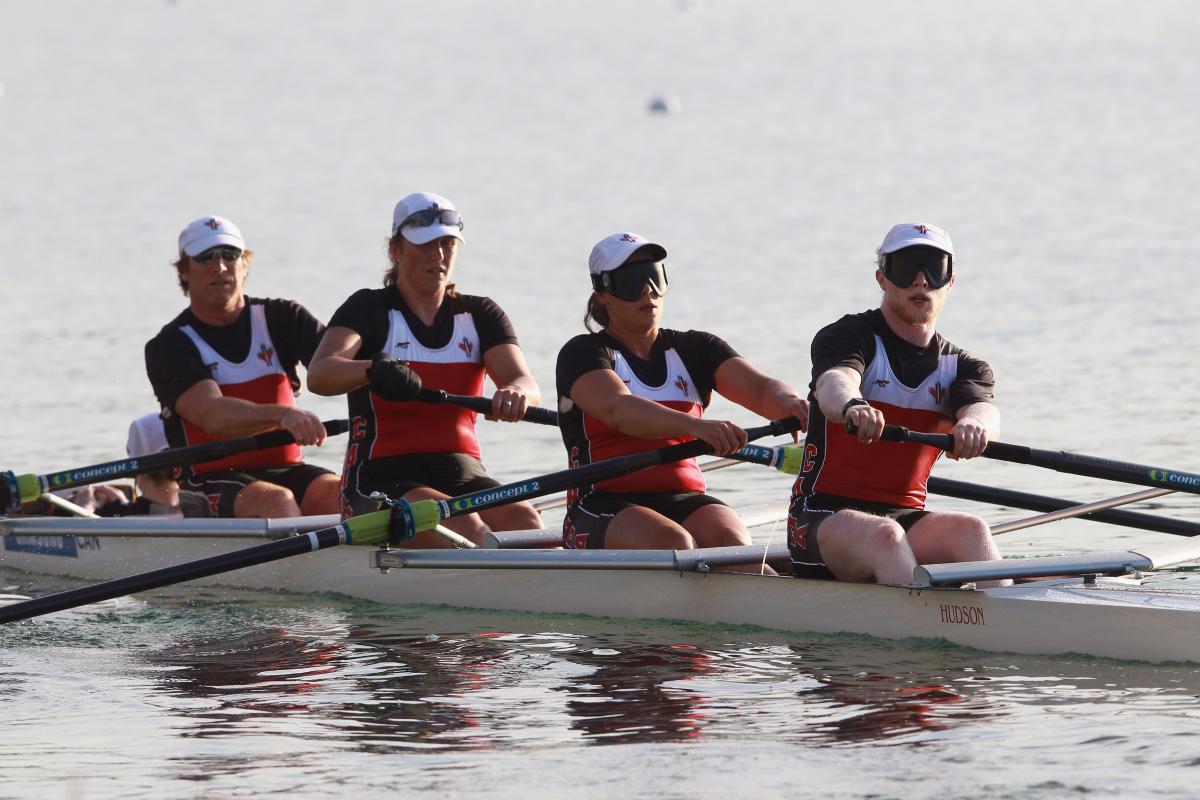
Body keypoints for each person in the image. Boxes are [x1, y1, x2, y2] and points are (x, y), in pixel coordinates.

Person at [556, 232, 809, 568]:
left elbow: (762, 390)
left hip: (684, 498)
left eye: (654, 276)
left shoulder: (696, 349)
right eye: (631, 281)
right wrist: (694, 425)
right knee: (675, 544)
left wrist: (794, 404)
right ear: (602, 295)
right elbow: (617, 408)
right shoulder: (583, 353)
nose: (647, 290)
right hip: (600, 503)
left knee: (734, 545)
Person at [306, 192, 542, 546]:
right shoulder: (369, 308)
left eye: (448, 244)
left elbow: (524, 381)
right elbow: (320, 374)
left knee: (527, 522)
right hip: (380, 481)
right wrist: (373, 369)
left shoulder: (480, 314)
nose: (439, 255)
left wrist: (516, 393)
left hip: (464, 473)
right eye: (426, 244)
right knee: (467, 529)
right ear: (394, 250)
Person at [787, 222, 1003, 585]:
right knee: (885, 536)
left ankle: (1006, 622)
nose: (920, 281)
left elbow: (984, 410)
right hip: (821, 517)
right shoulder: (848, 337)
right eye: (906, 269)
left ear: (950, 282)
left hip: (905, 519)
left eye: (934, 269)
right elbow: (834, 385)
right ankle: (928, 627)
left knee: (972, 530)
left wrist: (976, 427)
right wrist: (853, 407)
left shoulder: (964, 367)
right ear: (882, 278)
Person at [144, 215, 341, 519]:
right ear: (184, 270)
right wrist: (283, 414)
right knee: (278, 502)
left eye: (230, 255)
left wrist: (381, 371)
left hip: (288, 468)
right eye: (205, 257)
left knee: (339, 494)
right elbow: (213, 416)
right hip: (207, 480)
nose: (219, 267)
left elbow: (339, 365)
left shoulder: (283, 318)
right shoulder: (169, 346)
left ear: (245, 264)